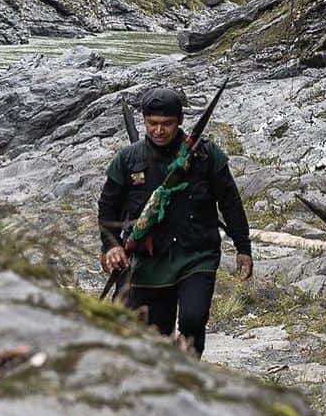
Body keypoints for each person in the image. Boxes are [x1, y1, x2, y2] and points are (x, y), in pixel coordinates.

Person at [98, 85, 252, 357]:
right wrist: (111, 246)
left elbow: (230, 201)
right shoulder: (128, 160)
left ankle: (191, 371)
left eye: (167, 124)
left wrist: (243, 248)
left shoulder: (205, 155)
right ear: (144, 122)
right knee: (156, 332)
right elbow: (108, 208)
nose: (159, 131)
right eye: (152, 124)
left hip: (197, 254)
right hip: (149, 260)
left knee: (193, 318)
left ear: (180, 121)